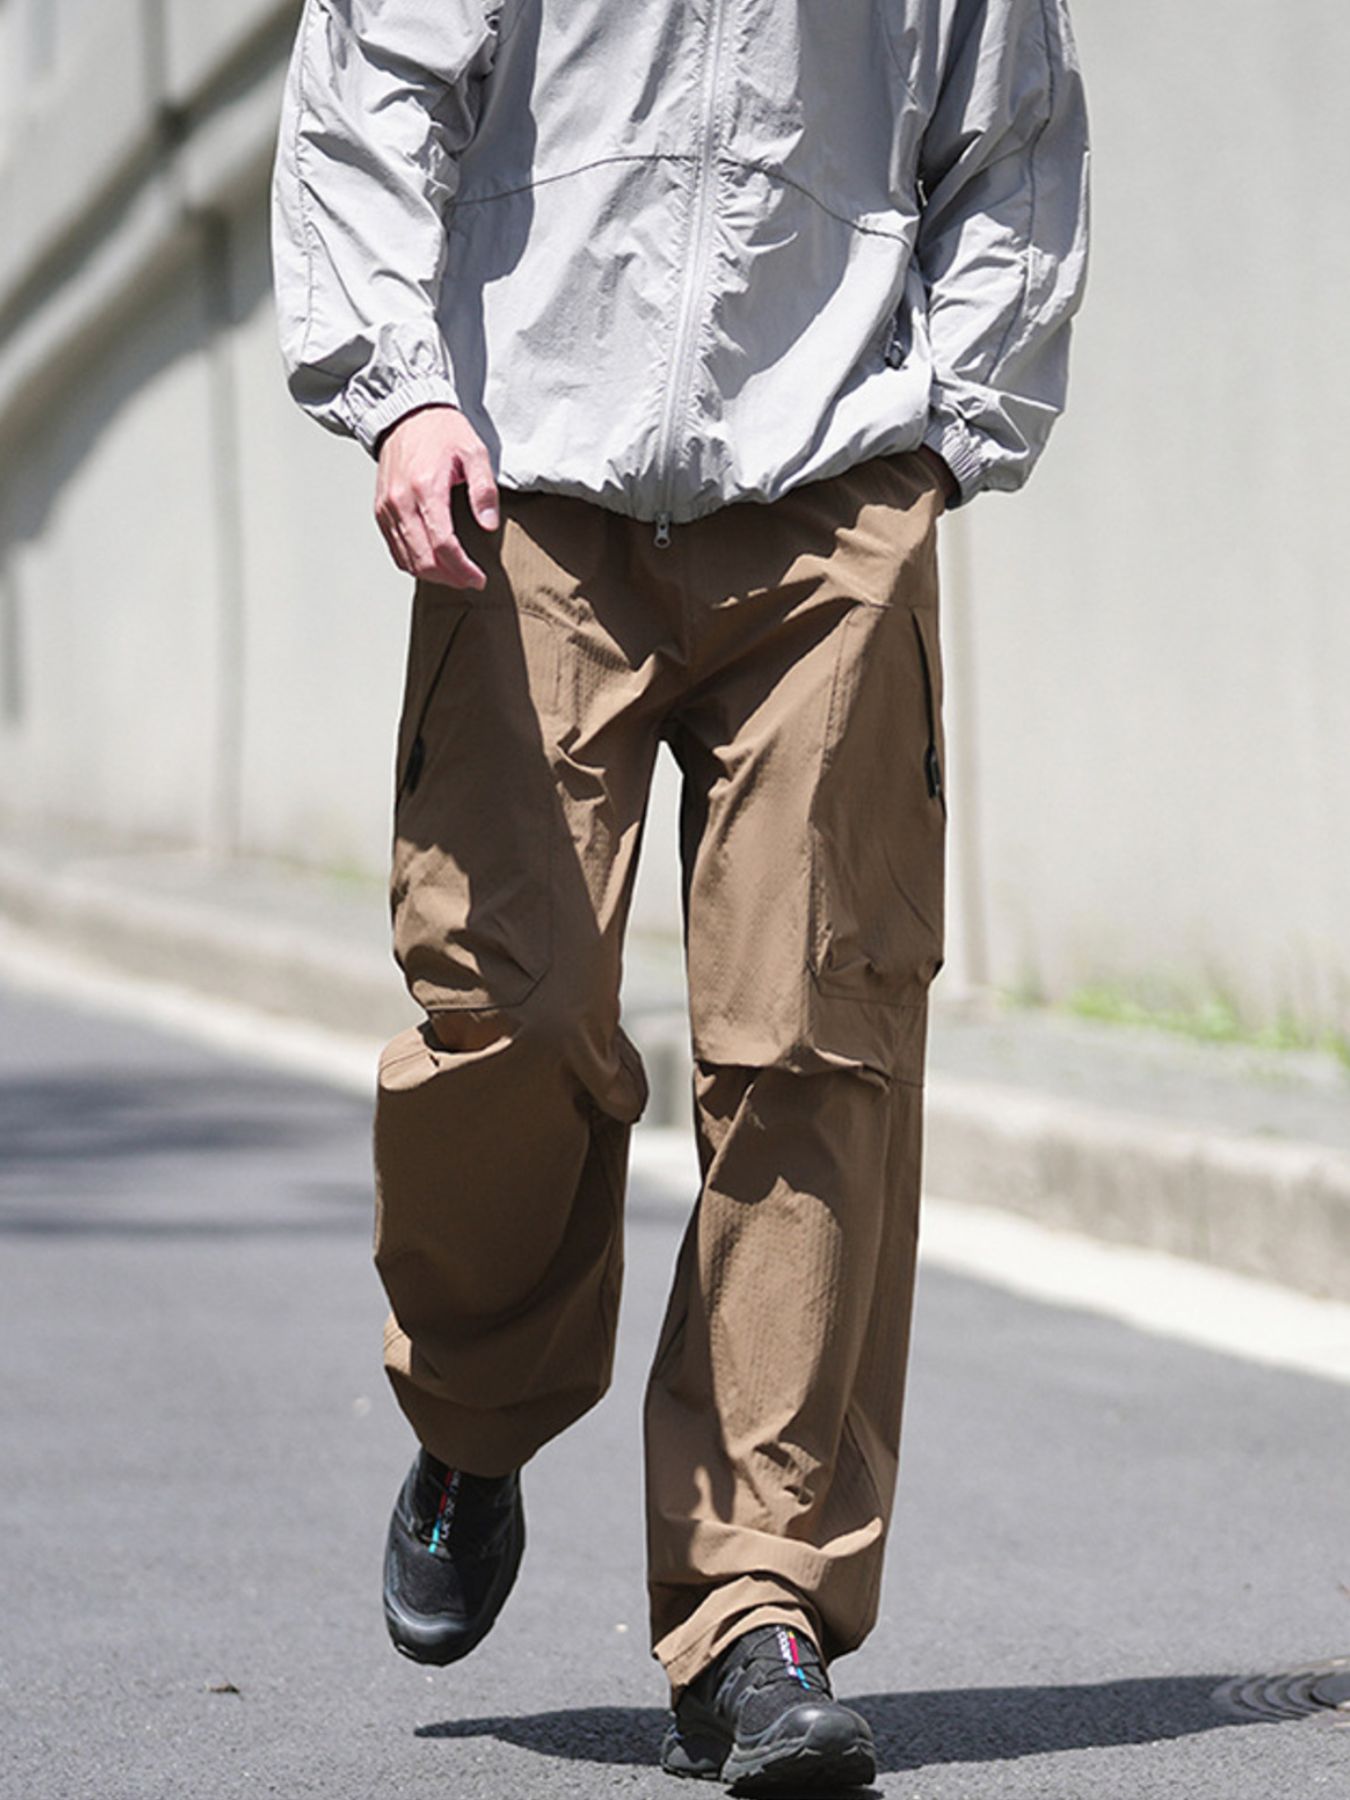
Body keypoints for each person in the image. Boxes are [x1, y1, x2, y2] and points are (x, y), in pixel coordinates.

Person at [272, 1, 1088, 1788]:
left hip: (832, 490)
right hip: (523, 480)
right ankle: (476, 1415)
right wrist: (399, 384)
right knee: (507, 1008)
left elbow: (1007, 136)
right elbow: (372, 90)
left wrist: (948, 428)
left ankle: (755, 1608)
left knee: (816, 1041)